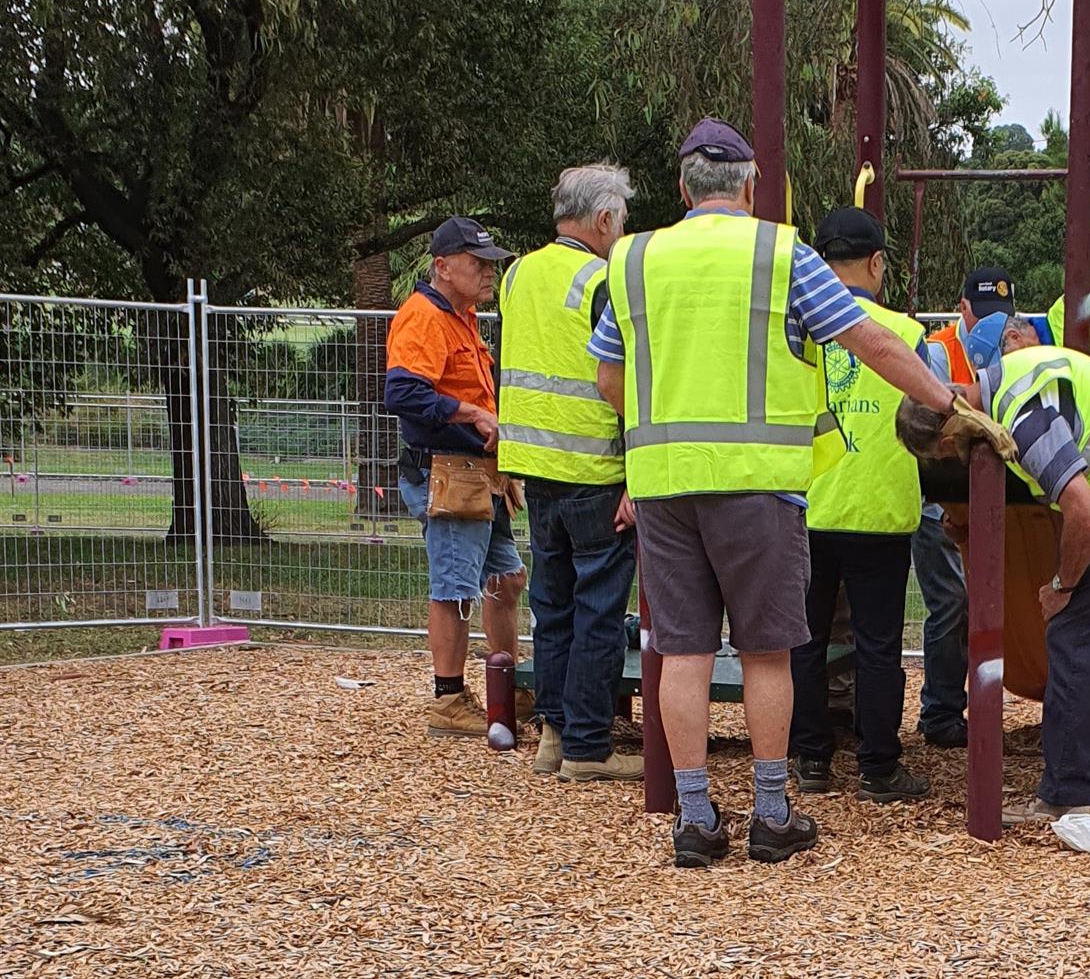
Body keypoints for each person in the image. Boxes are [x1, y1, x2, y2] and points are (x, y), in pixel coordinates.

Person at [589, 118, 974, 867]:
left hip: (664, 484)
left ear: (682, 188)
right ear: (751, 185)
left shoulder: (634, 258)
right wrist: (947, 402)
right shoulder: (780, 253)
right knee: (768, 649)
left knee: (682, 651)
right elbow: (870, 339)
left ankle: (695, 817)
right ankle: (770, 811)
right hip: (759, 486)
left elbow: (608, 375)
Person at [900, 324, 1090, 823]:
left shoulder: (1022, 417)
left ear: (951, 430)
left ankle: (1066, 793)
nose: (956, 460)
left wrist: (1065, 585)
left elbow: (1085, 511)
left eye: (946, 454)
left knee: (1075, 639)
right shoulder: (1010, 379)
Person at [497, 164, 640, 783]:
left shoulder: (516, 274)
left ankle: (553, 736)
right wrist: (636, 471)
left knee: (551, 608)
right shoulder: (603, 280)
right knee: (598, 611)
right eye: (621, 220)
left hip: (535, 468)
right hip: (595, 468)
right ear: (603, 218)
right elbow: (618, 380)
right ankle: (587, 745)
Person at [791, 207, 933, 804]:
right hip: (881, 509)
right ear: (877, 264)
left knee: (804, 640)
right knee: (878, 646)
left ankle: (810, 760)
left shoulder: (800, 332)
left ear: (820, 264)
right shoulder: (907, 334)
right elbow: (931, 417)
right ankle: (879, 766)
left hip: (809, 504)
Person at [384, 217, 525, 740]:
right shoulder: (424, 316)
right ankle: (447, 699)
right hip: (447, 473)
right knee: (455, 589)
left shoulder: (460, 316)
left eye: (491, 263)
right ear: (442, 267)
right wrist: (474, 414)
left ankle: (507, 687)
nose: (489, 272)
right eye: (478, 263)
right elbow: (403, 394)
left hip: (477, 474)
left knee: (507, 579)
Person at [912, 267, 1016, 748]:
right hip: (941, 498)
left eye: (1001, 314)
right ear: (962, 309)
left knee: (983, 600)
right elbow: (932, 424)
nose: (992, 325)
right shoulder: (936, 352)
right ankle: (940, 711)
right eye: (982, 314)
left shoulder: (1016, 345)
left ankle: (962, 708)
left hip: (992, 499)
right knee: (952, 602)